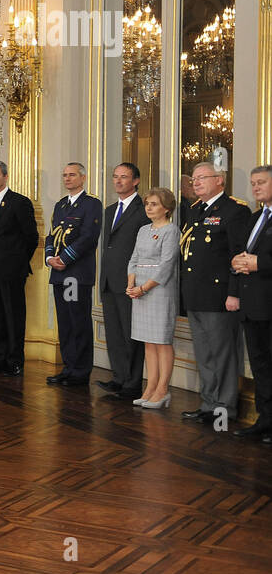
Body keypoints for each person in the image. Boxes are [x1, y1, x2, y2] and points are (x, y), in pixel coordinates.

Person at [179, 161, 249, 425]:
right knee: (204, 353)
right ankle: (208, 403)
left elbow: (238, 256)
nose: (195, 182)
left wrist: (234, 293)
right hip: (196, 294)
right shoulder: (196, 210)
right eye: (194, 179)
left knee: (222, 354)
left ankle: (224, 408)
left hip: (220, 296)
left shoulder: (234, 210)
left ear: (219, 180)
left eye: (202, 178)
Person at [44, 162, 102, 387]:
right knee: (65, 323)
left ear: (83, 178)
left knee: (78, 322)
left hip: (75, 275)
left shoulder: (91, 204)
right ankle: (68, 368)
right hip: (59, 274)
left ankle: (80, 371)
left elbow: (88, 237)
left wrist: (64, 259)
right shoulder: (60, 205)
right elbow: (52, 235)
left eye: (72, 175)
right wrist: (50, 258)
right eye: (64, 175)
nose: (67, 179)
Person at [0, 160, 38, 376]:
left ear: (5, 177)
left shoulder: (19, 202)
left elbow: (31, 237)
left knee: (14, 317)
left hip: (12, 270)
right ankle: (0, 358)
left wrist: (19, 262)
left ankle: (15, 361)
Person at [126, 188, 180, 409]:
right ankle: (150, 387)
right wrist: (131, 284)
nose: (149, 207)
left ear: (166, 208)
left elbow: (166, 265)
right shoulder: (142, 230)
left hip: (159, 290)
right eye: (147, 203)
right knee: (148, 341)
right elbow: (134, 259)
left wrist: (144, 288)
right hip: (139, 289)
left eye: (154, 204)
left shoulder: (171, 230)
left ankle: (162, 390)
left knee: (162, 340)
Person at [99, 162, 149, 401]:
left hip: (131, 281)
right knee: (114, 333)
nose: (118, 181)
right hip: (109, 279)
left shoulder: (143, 209)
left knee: (131, 335)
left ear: (136, 181)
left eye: (124, 177)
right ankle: (118, 378)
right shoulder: (109, 210)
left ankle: (132, 383)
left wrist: (138, 281)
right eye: (115, 177)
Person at [231, 165, 272, 443]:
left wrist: (260, 263)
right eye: (253, 183)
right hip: (252, 304)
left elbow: (260, 260)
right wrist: (236, 263)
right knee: (260, 366)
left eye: (261, 182)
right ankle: (264, 421)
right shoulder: (256, 216)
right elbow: (243, 252)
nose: (255, 187)